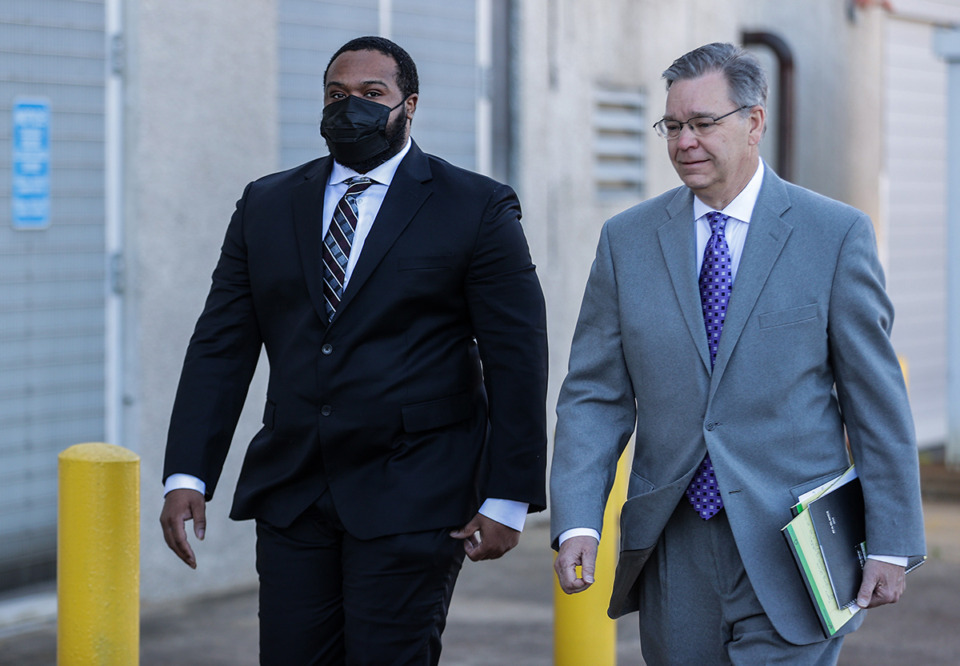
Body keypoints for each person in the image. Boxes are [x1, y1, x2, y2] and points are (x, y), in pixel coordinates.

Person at [159, 36, 548, 665]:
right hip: (293, 491)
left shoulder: (475, 206)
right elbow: (221, 345)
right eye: (336, 95)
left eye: (372, 95)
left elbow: (518, 356)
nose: (351, 108)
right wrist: (188, 473)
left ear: (409, 105)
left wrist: (508, 495)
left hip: (415, 489)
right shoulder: (266, 203)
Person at [550, 42, 925, 663]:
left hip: (795, 546)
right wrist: (579, 520)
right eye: (672, 126)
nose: (684, 141)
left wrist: (891, 539)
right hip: (673, 541)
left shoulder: (834, 235)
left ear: (754, 121)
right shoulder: (627, 241)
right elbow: (594, 395)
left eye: (703, 123)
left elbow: (875, 400)